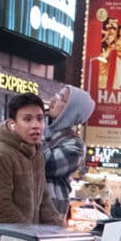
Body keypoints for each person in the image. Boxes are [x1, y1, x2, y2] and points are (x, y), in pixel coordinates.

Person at [0, 92, 63, 225]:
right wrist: (29, 236)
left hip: (22, 240)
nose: (36, 125)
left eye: (40, 118)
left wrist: (61, 233)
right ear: (12, 124)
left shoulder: (36, 155)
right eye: (27, 119)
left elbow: (44, 201)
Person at [43, 86, 96, 216]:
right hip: (23, 206)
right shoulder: (39, 126)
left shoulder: (75, 145)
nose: (53, 100)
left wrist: (32, 134)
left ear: (72, 110)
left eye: (61, 98)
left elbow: (47, 164)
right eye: (56, 94)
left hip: (50, 212)